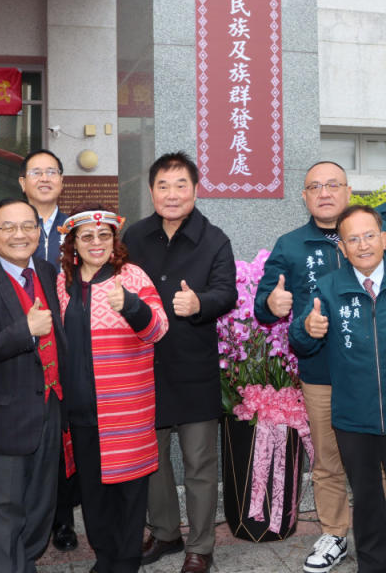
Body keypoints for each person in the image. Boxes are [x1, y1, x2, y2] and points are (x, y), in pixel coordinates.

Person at [290, 205, 386, 573]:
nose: (363, 245)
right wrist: (308, 330)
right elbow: (301, 339)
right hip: (353, 416)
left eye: (369, 235)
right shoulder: (328, 287)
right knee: (368, 500)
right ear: (342, 247)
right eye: (353, 239)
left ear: (384, 239)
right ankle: (371, 565)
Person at [124, 152, 237, 573]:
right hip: (143, 366)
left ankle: (201, 546)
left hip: (193, 368)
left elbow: (227, 292)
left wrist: (199, 302)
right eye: (163, 186)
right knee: (151, 461)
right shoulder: (133, 237)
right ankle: (167, 534)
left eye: (181, 185)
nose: (172, 194)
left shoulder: (214, 240)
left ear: (195, 189)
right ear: (151, 190)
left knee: (199, 464)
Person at [55, 206, 168, 573]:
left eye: (104, 235)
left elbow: (158, 329)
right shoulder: (63, 282)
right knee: (93, 492)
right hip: (81, 410)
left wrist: (132, 306)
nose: (96, 243)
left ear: (114, 241)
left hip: (125, 408)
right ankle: (105, 558)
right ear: (73, 243)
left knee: (129, 492)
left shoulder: (131, 276)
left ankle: (126, 561)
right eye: (87, 236)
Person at [253, 161, 353, 573]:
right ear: (304, 196)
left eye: (333, 185)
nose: (325, 192)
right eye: (315, 186)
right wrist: (272, 305)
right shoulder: (290, 245)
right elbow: (263, 303)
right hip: (321, 373)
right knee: (328, 460)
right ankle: (335, 533)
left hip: (378, 372)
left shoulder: (368, 234)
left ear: (348, 191)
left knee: (380, 456)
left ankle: (381, 527)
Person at [0, 198, 67, 573]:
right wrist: (27, 331)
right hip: (3, 415)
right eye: (8, 227)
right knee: (3, 515)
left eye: (27, 226)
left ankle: (26, 564)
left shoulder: (49, 272)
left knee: (40, 508)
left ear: (39, 232)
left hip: (49, 408)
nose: (19, 234)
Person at [17, 149, 78, 552]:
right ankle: (25, 519)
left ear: (61, 180)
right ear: (22, 182)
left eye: (51, 171)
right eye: (35, 172)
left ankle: (63, 520)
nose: (43, 178)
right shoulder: (10, 224)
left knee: (62, 435)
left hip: (66, 344)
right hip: (19, 345)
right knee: (24, 434)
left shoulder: (75, 229)